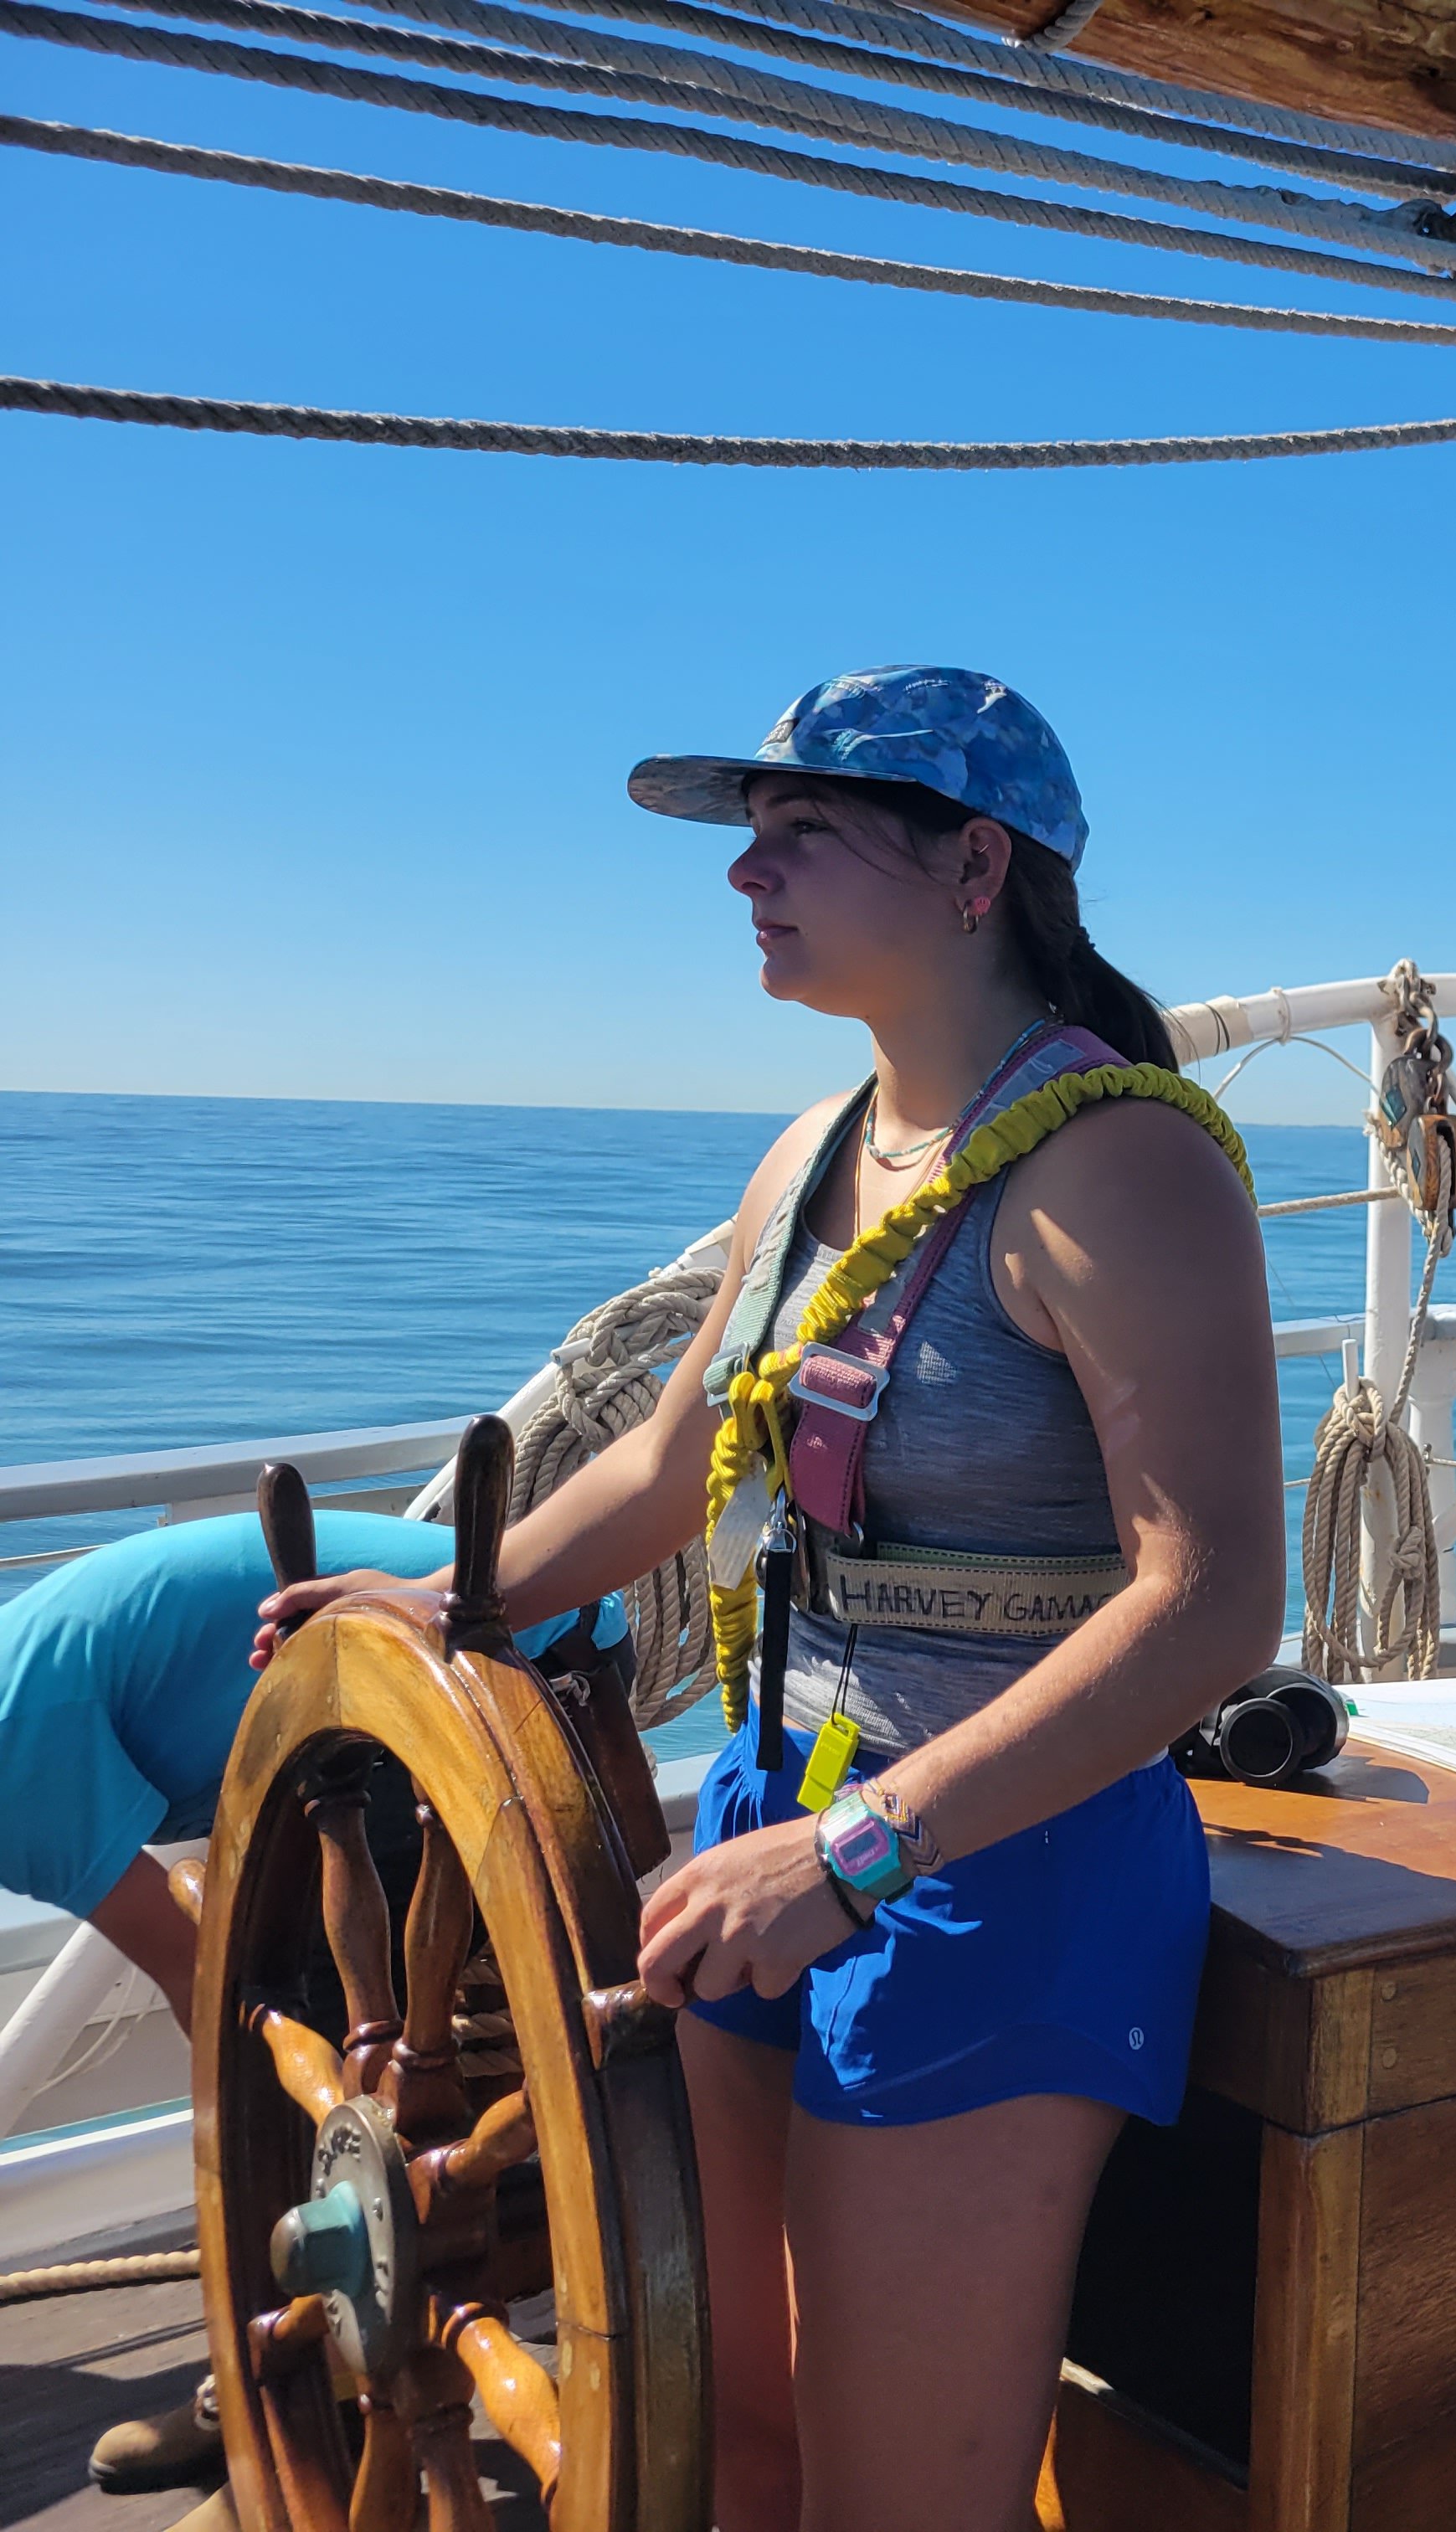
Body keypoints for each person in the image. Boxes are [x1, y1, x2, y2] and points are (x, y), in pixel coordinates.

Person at [258, 666, 1284, 2530]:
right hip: (771, 1819)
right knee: (727, 2446)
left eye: (802, 832)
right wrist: (454, 1600)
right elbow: (670, 1463)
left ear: (978, 866)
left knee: (898, 2502)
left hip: (989, 1873)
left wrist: (855, 1855)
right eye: (750, 839)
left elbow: (1213, 1608)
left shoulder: (1120, 1169)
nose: (749, 876)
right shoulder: (813, 1154)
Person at [0, 1510, 624, 2495]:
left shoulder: (10, 1763)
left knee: (304, 2027)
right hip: (482, 1634)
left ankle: (299, 2381)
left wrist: (270, 2180)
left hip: (491, 1653)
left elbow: (206, 1981)